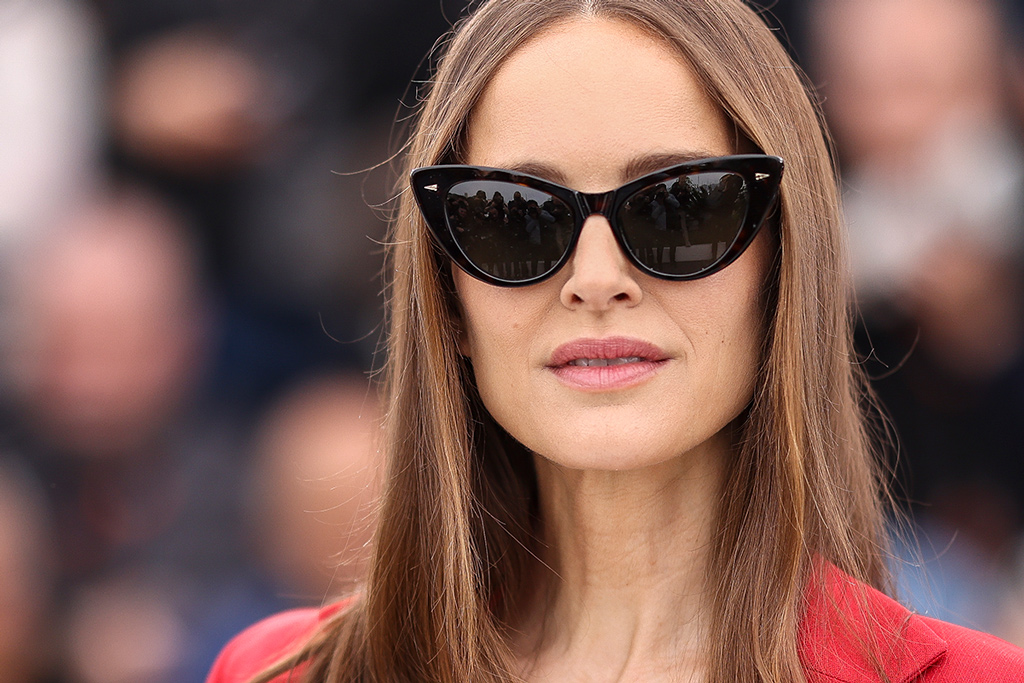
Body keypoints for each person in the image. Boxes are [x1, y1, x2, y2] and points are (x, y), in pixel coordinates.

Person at [206, 1, 1024, 681]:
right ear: (448, 296)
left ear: (784, 268)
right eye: (515, 217)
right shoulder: (275, 673)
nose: (596, 279)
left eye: (680, 207)